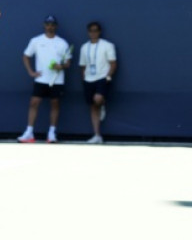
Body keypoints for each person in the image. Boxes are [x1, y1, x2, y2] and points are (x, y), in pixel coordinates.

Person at [17, 15, 71, 144]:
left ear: (56, 26)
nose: (50, 27)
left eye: (52, 24)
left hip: (56, 80)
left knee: (55, 104)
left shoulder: (62, 43)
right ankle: (29, 133)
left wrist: (61, 66)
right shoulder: (36, 41)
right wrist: (31, 72)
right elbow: (26, 56)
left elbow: (68, 63)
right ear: (44, 25)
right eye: (48, 24)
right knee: (34, 103)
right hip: (41, 80)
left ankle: (52, 133)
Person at [79, 21, 117, 144]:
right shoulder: (84, 47)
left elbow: (113, 63)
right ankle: (97, 135)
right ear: (88, 32)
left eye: (96, 30)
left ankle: (102, 104)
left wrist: (108, 77)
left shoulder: (108, 45)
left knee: (98, 100)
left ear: (99, 32)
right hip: (88, 79)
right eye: (91, 30)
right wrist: (84, 78)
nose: (93, 33)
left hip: (102, 77)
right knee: (93, 106)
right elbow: (83, 66)